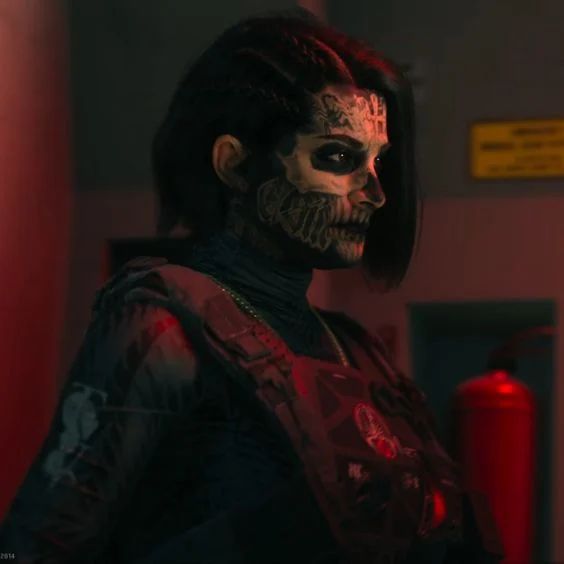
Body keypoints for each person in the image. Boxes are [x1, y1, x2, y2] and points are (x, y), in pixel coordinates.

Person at [0, 10, 503, 564]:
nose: (375, 194)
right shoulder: (163, 329)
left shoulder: (359, 351)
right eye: (338, 157)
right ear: (235, 166)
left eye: (377, 161)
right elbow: (34, 547)